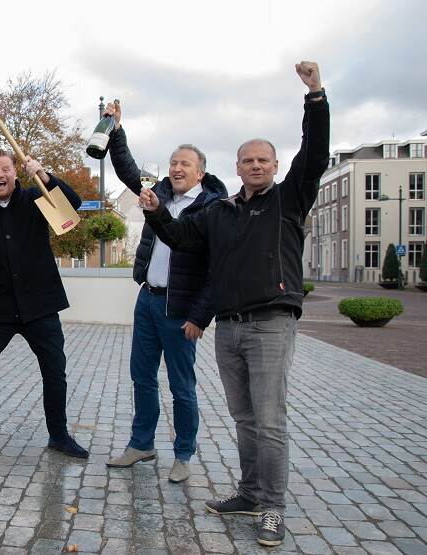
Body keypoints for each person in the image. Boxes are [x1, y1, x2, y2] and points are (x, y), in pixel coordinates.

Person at [140, 62, 329, 547]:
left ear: (276, 166)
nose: (257, 166)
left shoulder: (290, 200)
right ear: (237, 166)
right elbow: (181, 240)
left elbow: (315, 153)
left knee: (269, 420)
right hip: (229, 328)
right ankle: (248, 492)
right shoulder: (219, 213)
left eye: (264, 160)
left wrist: (315, 96)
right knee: (244, 418)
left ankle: (272, 506)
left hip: (271, 324)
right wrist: (158, 211)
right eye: (248, 160)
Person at [103, 101, 227, 484]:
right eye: (173, 162)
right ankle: (141, 444)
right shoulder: (159, 195)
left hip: (181, 308)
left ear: (200, 172)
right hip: (149, 299)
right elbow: (127, 170)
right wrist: (116, 130)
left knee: (181, 385)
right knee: (142, 377)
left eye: (184, 163)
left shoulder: (211, 208)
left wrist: (199, 316)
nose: (176, 168)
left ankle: (184, 454)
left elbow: (214, 270)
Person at [0, 150, 88, 459]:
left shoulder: (36, 197)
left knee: (55, 370)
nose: (0, 175)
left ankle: (58, 435)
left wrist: (45, 173)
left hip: (40, 305)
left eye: (5, 169)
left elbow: (73, 205)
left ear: (15, 173)